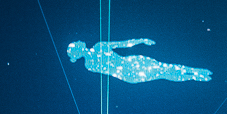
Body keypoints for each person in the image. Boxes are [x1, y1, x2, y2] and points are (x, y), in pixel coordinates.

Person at [67, 39, 212, 82]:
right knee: (164, 69)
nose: (78, 41)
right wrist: (141, 40)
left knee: (163, 72)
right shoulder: (98, 48)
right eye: (76, 43)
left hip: (129, 73)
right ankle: (194, 73)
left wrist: (141, 40)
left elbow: (123, 45)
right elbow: (124, 44)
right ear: (78, 49)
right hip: (131, 66)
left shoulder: (89, 65)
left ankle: (194, 75)